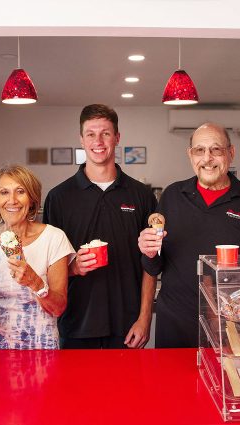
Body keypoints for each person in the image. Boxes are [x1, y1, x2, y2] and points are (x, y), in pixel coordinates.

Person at [138, 122, 240, 348]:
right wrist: (148, 250)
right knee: (174, 383)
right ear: (190, 155)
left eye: (216, 149)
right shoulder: (173, 196)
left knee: (228, 383)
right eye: (199, 150)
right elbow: (154, 264)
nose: (207, 158)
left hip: (235, 325)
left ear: (230, 153)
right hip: (177, 322)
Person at [43, 104, 157, 349]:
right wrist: (73, 268)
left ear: (117, 138)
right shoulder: (59, 197)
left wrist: (145, 318)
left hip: (128, 325)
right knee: (77, 389)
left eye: (105, 133)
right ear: (81, 140)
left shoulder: (142, 195)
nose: (98, 141)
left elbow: (151, 262)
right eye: (91, 134)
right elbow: (48, 264)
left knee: (128, 388)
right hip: (76, 323)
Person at [0, 164, 75, 350]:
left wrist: (35, 283)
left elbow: (58, 308)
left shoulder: (54, 238)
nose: (12, 200)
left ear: (32, 199)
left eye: (20, 191)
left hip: (38, 350)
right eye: (4, 192)